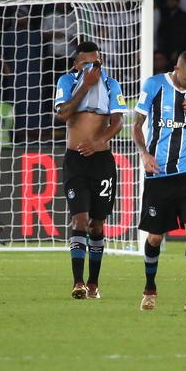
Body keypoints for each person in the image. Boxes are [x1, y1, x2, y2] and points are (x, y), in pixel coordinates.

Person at [132, 49, 186, 312]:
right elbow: (136, 125)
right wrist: (144, 154)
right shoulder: (154, 85)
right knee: (155, 237)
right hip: (159, 174)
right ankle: (150, 288)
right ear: (176, 67)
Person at [54, 41, 127, 300]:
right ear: (76, 64)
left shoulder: (111, 84)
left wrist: (98, 143)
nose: (92, 68)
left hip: (101, 163)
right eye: (87, 63)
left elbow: (118, 121)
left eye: (96, 63)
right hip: (75, 161)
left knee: (97, 225)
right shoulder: (66, 82)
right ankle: (77, 283)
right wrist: (85, 85)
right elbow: (62, 114)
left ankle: (94, 283)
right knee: (80, 220)